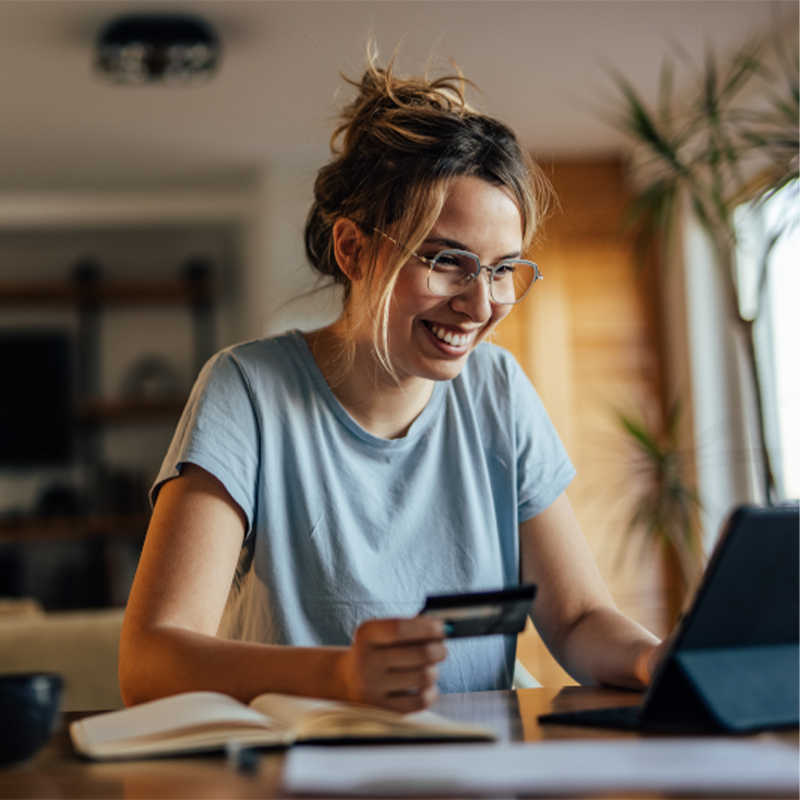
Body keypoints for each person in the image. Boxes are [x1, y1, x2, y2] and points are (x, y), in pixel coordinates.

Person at [119, 52, 662, 713]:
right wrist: (342, 678)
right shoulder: (246, 391)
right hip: (302, 768)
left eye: (502, 270)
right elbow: (150, 659)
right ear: (352, 250)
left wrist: (653, 658)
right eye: (445, 261)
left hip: (478, 766)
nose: (480, 302)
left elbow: (577, 619)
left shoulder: (498, 389)